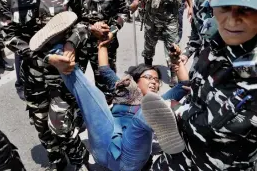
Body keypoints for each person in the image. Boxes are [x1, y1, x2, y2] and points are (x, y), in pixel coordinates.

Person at [28, 13, 191, 170]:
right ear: (135, 80)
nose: (154, 82)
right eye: (149, 77)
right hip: (104, 143)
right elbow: (105, 70)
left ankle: (168, 130)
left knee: (148, 113)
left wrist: (176, 60)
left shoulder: (158, 101)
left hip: (131, 158)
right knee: (94, 97)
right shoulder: (124, 87)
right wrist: (102, 44)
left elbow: (184, 84)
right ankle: (57, 51)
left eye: (157, 80)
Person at [141, 0, 257, 170]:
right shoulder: (215, 38)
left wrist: (176, 111)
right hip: (182, 151)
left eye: (246, 8)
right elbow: (199, 85)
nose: (232, 20)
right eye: (224, 6)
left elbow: (219, 127)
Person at [0, 0, 89, 170]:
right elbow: (9, 36)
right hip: (33, 76)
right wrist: (46, 58)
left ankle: (79, 160)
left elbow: (84, 20)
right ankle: (57, 162)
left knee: (63, 125)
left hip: (65, 73)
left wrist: (71, 43)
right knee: (41, 125)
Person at [130, 0, 193, 86]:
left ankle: (174, 75)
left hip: (171, 14)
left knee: (173, 45)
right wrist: (136, 0)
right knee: (149, 46)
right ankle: (147, 71)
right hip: (153, 13)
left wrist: (190, 5)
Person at [73, 0, 128, 100]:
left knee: (107, 91)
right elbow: (63, 18)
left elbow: (124, 12)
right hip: (78, 47)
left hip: (105, 46)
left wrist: (112, 31)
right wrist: (90, 29)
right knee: (73, 89)